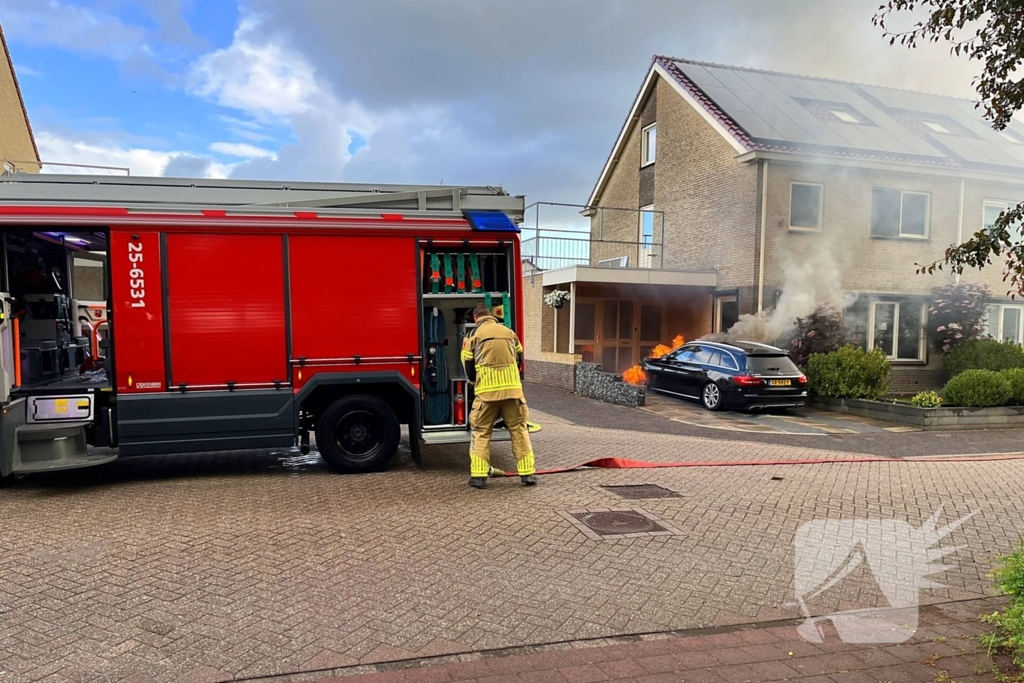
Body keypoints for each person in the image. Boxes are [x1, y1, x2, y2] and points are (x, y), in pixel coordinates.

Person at [460, 302, 536, 488]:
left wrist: (474, 383)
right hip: (512, 392)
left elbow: (467, 366)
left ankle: (478, 477)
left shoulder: (472, 336)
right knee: (519, 430)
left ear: (475, 318)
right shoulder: (509, 333)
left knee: (480, 432)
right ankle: (527, 475)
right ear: (492, 316)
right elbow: (520, 359)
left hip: (486, 394)